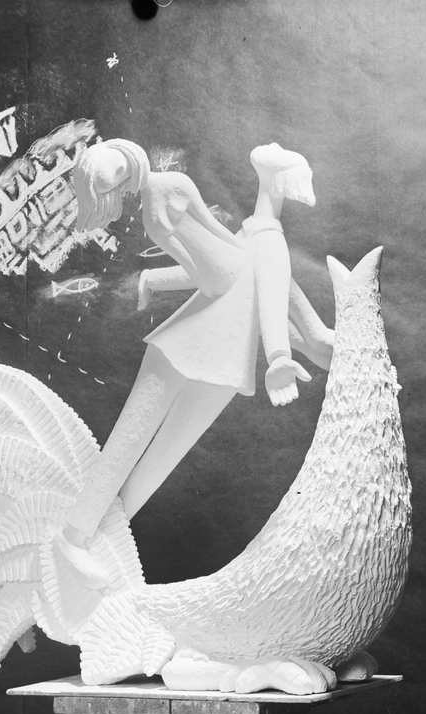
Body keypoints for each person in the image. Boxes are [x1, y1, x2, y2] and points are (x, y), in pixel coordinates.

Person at [55, 139, 319, 586]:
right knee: (134, 447)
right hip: (201, 348)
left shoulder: (258, 235)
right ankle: (76, 537)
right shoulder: (243, 230)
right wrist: (279, 356)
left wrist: (154, 278)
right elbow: (227, 278)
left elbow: (243, 288)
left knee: (151, 460)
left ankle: (96, 542)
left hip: (218, 358)